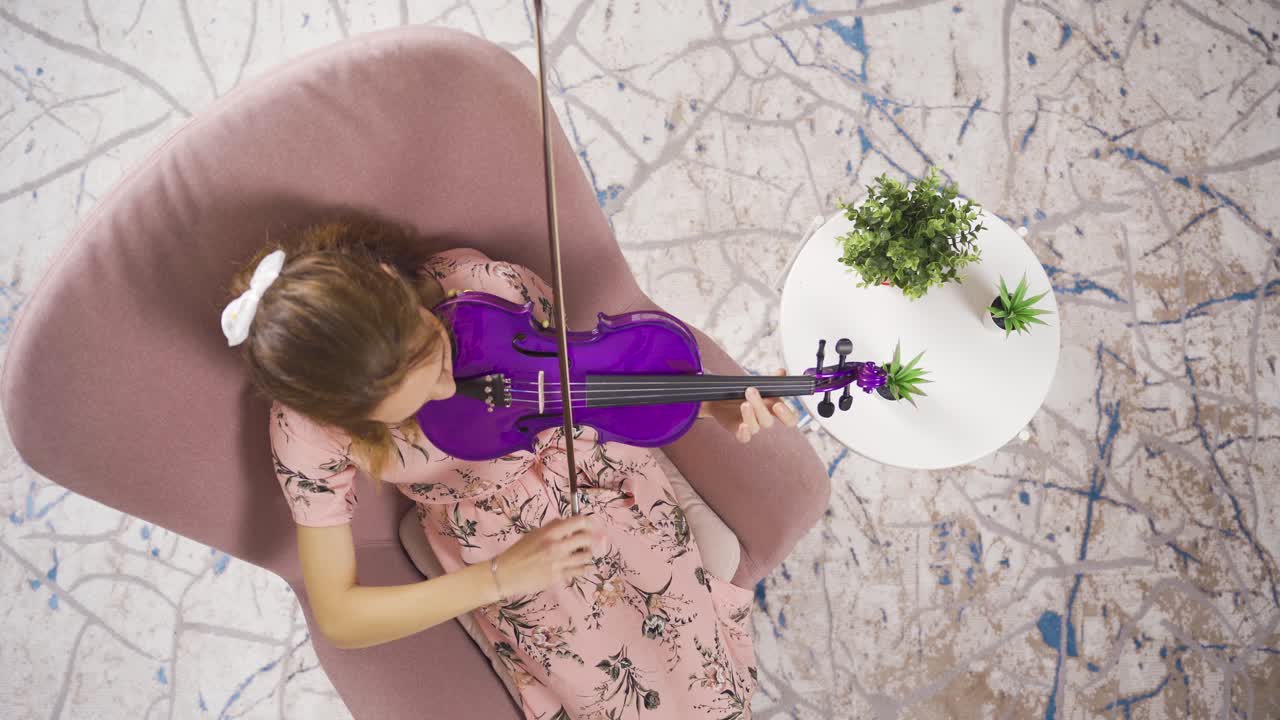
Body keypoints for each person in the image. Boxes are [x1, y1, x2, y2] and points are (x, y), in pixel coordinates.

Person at [222, 215, 798, 719]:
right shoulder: (307, 428)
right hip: (495, 547)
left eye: (434, 353)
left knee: (698, 687)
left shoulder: (482, 288)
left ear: (389, 282)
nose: (449, 386)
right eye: (415, 399)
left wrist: (703, 399)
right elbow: (340, 615)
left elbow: (586, 376)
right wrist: (502, 578)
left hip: (598, 474)